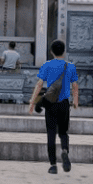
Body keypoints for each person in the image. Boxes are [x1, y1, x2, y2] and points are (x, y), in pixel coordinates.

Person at [26, 39, 79, 174]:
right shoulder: (70, 66)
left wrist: (32, 102)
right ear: (64, 51)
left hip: (50, 104)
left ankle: (53, 165)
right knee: (63, 132)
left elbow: (39, 84)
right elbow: (75, 86)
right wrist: (76, 101)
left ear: (51, 52)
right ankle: (65, 150)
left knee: (51, 133)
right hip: (64, 104)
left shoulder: (47, 65)